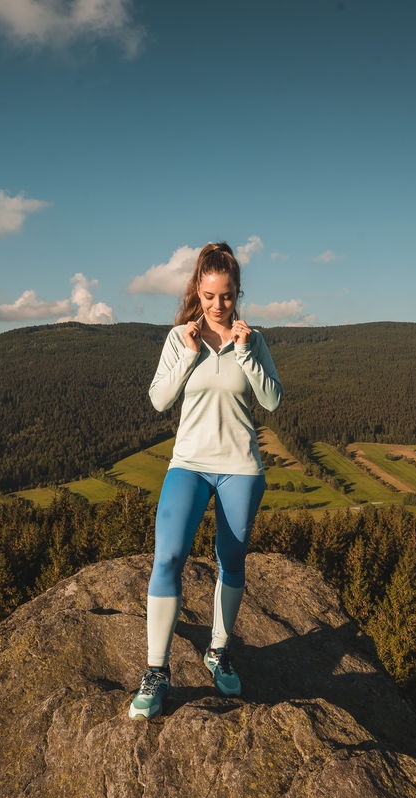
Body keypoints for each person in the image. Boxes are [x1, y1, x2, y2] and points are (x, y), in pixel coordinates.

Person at [129, 241, 283, 720]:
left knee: (230, 559)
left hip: (241, 467)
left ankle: (218, 651)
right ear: (198, 290)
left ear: (238, 293)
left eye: (228, 295)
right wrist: (189, 354)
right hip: (189, 464)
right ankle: (157, 671)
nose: (219, 305)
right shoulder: (180, 337)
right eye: (211, 295)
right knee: (168, 556)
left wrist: (245, 352)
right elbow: (159, 400)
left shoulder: (253, 340)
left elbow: (272, 400)